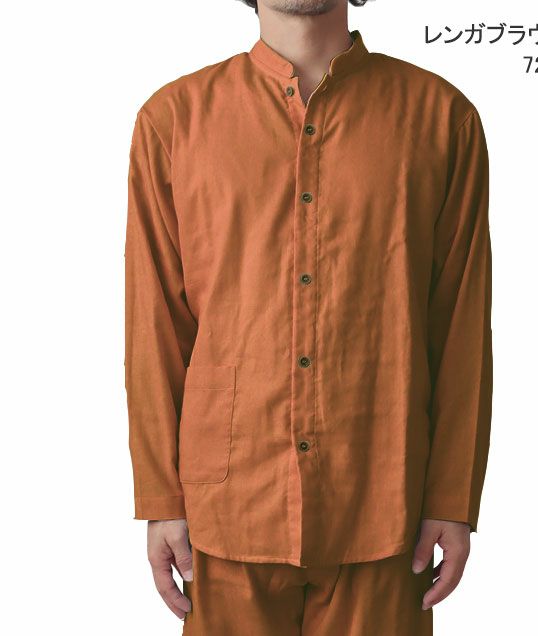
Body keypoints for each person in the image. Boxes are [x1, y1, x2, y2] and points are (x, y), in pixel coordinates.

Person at [124, 1, 493, 633]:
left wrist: (451, 496)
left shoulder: (440, 117)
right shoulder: (173, 120)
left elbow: (460, 324)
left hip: (385, 501)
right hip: (226, 509)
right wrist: (161, 497)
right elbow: (153, 323)